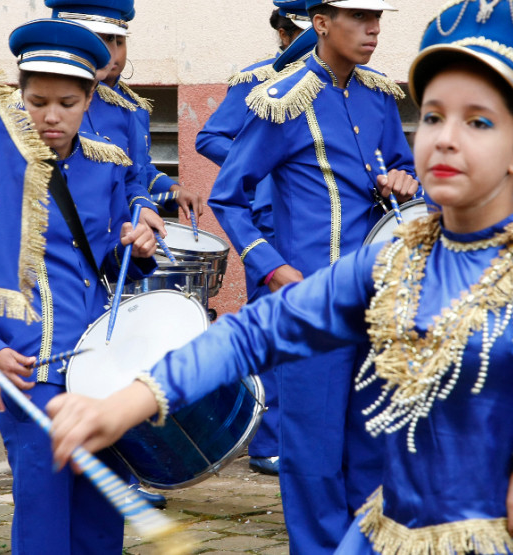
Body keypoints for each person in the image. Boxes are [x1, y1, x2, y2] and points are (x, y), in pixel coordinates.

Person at [47, 2, 513, 554]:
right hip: (392, 532)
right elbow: (256, 331)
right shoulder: (394, 261)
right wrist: (131, 400)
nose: (445, 139)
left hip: (501, 534)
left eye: (478, 123)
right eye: (433, 116)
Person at [0, 18, 157, 553]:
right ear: (20, 94)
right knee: (43, 523)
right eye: (37, 102)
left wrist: (137, 251)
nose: (51, 116)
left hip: (102, 367)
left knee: (102, 521)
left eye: (67, 103)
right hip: (32, 372)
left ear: (90, 100)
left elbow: (105, 263)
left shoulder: (106, 164)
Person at [201, 0, 419, 551]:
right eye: (358, 17)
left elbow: (404, 165)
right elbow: (228, 196)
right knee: (313, 453)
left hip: (377, 299)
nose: (373, 29)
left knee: (373, 446)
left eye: (377, 17)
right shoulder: (282, 100)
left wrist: (403, 178)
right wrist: (272, 268)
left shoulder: (378, 95)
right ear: (321, 23)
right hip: (313, 305)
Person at [194, 0, 315, 477]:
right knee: (273, 327)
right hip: (267, 222)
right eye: (301, 33)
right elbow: (209, 137)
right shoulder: (258, 79)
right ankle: (269, 440)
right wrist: (259, 167)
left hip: (315, 224)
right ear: (284, 34)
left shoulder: (343, 84)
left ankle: (306, 436)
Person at [45, 0, 169, 237]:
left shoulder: (124, 108)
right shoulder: (21, 109)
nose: (109, 52)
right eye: (97, 39)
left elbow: (131, 178)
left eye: (114, 39)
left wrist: (142, 206)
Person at [101, 7, 203, 223]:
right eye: (102, 41)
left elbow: (140, 169)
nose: (112, 52)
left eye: (119, 42)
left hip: (134, 228)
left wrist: (174, 190)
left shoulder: (136, 107)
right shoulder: (73, 107)